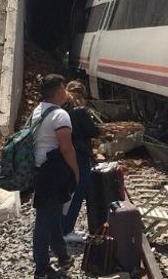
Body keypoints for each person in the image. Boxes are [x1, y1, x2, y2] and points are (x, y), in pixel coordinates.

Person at [32, 74, 80, 279]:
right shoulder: (60, 115)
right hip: (53, 172)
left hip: (40, 168)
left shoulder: (38, 110)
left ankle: (62, 257)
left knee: (52, 215)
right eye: (63, 88)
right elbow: (67, 148)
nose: (66, 92)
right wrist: (76, 173)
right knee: (44, 219)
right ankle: (41, 267)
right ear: (58, 91)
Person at [61, 80, 101, 243]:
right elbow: (93, 131)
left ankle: (62, 226)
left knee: (68, 192)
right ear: (82, 95)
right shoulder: (81, 111)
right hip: (80, 155)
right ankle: (67, 229)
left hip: (65, 155)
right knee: (79, 190)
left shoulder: (63, 109)